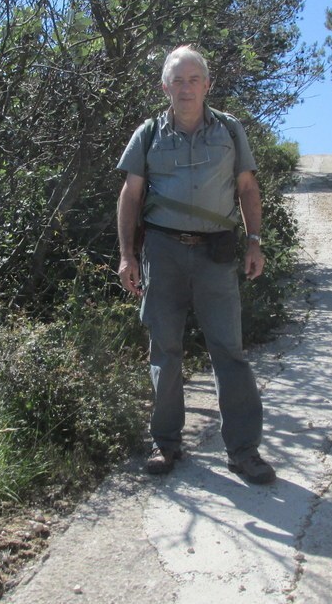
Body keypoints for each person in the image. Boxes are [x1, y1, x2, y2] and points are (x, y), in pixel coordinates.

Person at [116, 45, 275, 484]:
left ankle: (243, 451)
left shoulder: (229, 130)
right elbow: (130, 195)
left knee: (229, 351)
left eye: (193, 80)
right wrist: (128, 255)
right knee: (164, 351)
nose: (185, 89)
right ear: (164, 86)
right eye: (177, 81)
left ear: (207, 84)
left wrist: (255, 243)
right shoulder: (148, 134)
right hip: (162, 253)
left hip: (215, 254)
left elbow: (247, 188)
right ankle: (166, 443)